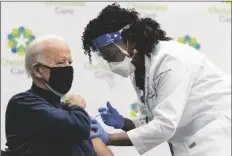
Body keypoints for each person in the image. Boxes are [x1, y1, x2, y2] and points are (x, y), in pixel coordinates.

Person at [81, 3, 231, 156]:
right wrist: (123, 122)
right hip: (191, 142)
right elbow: (152, 122)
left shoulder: (169, 61)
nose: (109, 61)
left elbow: (164, 125)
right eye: (105, 57)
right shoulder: (141, 69)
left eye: (110, 53)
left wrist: (109, 138)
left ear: (131, 40)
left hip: (216, 136)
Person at [4, 35, 113, 156]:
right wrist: (78, 109)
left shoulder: (69, 112)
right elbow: (78, 128)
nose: (68, 67)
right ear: (37, 70)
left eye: (69, 62)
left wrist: (93, 133)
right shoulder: (23, 103)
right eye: (60, 63)